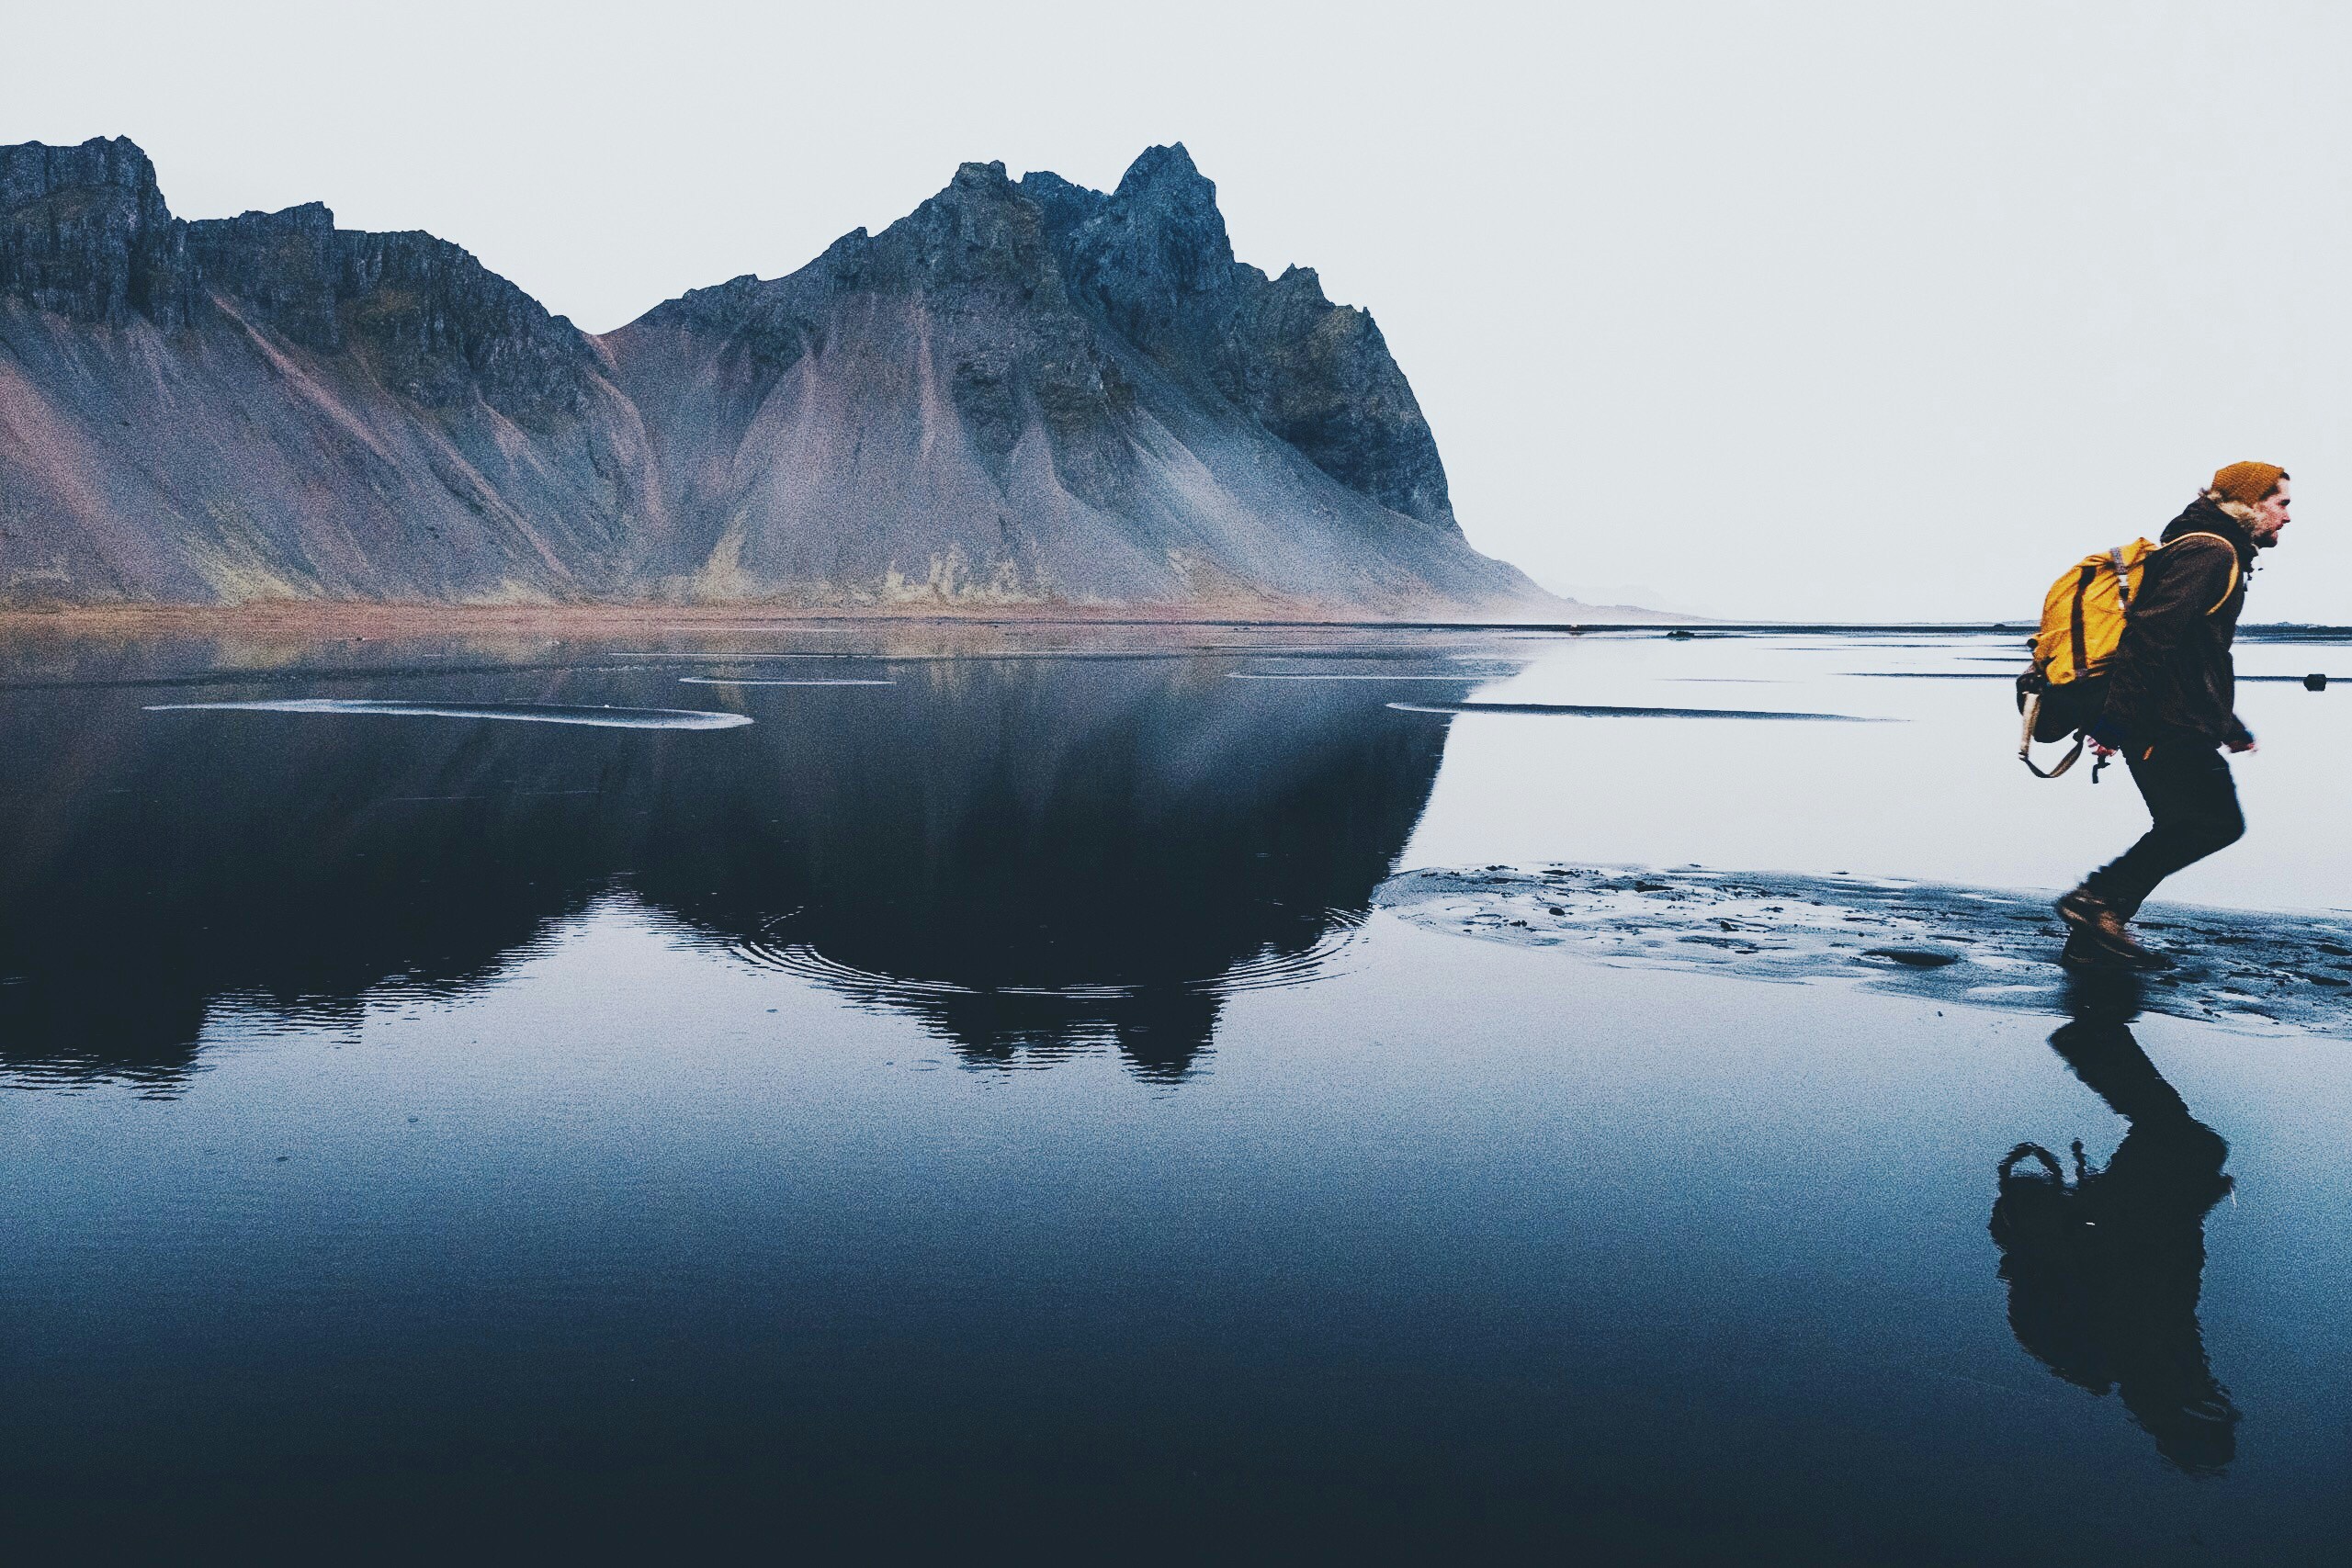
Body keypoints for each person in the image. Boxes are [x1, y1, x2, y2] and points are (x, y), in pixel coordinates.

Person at [2055, 461, 2290, 967]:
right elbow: (2149, 638)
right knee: (2213, 822)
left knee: (2181, 823)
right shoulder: (2210, 551)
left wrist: (2228, 726)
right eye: (2281, 503)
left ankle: (2093, 938)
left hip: (2171, 717)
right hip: (2162, 722)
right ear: (2247, 503)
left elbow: (2195, 652)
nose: (2287, 517)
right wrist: (2114, 723)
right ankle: (2095, 902)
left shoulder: (2208, 549)